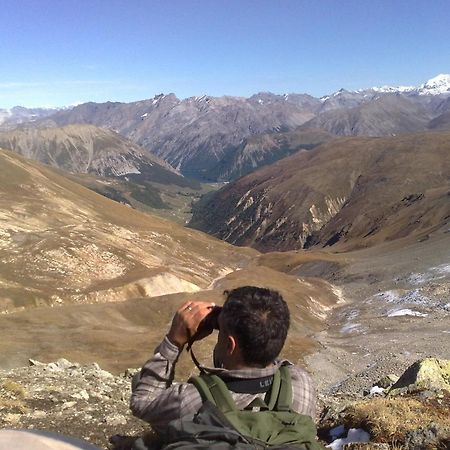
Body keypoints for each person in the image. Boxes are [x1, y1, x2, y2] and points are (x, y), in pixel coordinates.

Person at [130, 286, 316, 435]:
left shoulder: (192, 400)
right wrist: (237, 325)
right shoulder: (301, 383)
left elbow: (143, 403)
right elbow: (265, 350)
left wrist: (173, 341)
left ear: (230, 345)